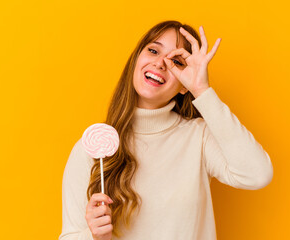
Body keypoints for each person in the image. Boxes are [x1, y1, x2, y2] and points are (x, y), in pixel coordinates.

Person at [58, 20, 274, 240]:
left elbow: (258, 174)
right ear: (136, 61)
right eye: (153, 50)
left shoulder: (198, 138)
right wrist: (93, 236)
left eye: (176, 62)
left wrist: (201, 90)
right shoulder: (94, 149)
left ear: (183, 86)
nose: (160, 63)